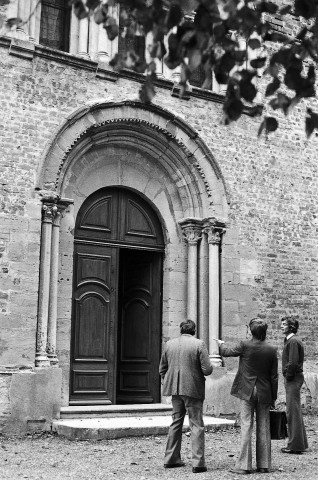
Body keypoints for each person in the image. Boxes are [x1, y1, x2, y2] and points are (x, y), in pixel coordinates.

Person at [216, 318, 278, 475]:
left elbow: (226, 353)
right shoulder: (271, 349)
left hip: (247, 390)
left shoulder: (244, 345)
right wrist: (274, 397)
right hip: (264, 391)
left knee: (246, 425)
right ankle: (264, 465)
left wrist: (220, 343)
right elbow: (274, 376)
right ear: (265, 331)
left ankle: (244, 465)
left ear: (251, 331)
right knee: (264, 427)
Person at [159, 319, 213, 473]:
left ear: (180, 330)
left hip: (175, 389)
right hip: (193, 389)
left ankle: (170, 459)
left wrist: (168, 381)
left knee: (175, 422)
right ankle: (198, 463)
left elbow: (162, 368)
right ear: (194, 330)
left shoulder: (170, 344)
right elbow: (207, 370)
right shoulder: (199, 344)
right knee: (196, 424)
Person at [280, 316, 308, 454]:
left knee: (292, 412)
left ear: (291, 327)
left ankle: (295, 446)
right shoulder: (291, 340)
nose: (281, 326)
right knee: (295, 410)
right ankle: (300, 443)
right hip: (293, 378)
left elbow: (293, 362)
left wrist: (287, 375)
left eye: (284, 324)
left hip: (293, 378)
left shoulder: (293, 341)